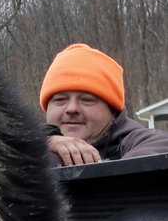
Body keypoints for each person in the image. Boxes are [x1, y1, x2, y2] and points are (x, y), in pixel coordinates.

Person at [39, 43, 168, 166]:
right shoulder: (32, 146)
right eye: (60, 100)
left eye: (87, 100)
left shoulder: (144, 142)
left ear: (113, 111)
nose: (72, 108)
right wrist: (39, 143)